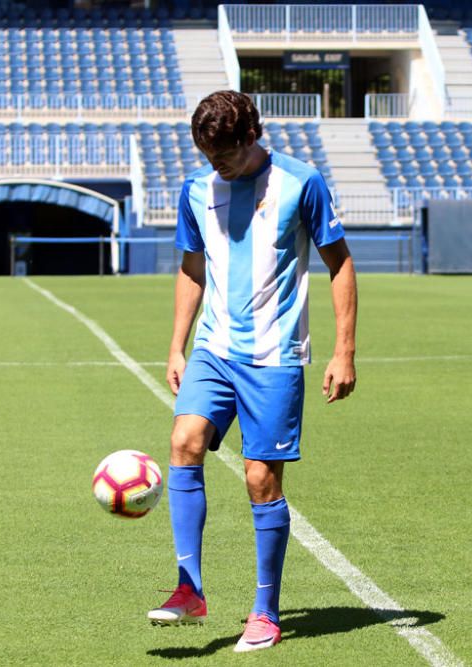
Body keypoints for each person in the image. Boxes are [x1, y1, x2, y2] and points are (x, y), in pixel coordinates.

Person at [148, 90, 358, 653]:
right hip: (215, 349)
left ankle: (265, 612)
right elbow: (192, 268)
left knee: (260, 478)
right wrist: (177, 345)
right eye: (207, 155)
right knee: (184, 440)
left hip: (274, 357)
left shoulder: (301, 181)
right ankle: (188, 589)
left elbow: (339, 263)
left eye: (225, 155)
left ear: (250, 138)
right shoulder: (196, 188)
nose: (216, 165)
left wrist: (344, 351)